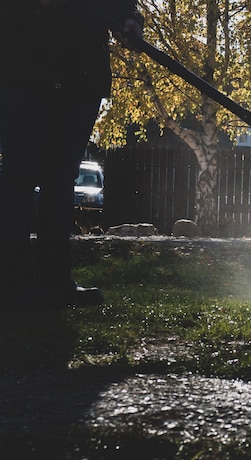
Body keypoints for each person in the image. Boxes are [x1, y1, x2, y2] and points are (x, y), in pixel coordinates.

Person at [0, 0, 143, 311]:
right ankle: (13, 284)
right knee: (20, 177)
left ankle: (56, 281)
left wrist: (129, 20)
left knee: (61, 178)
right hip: (24, 70)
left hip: (82, 74)